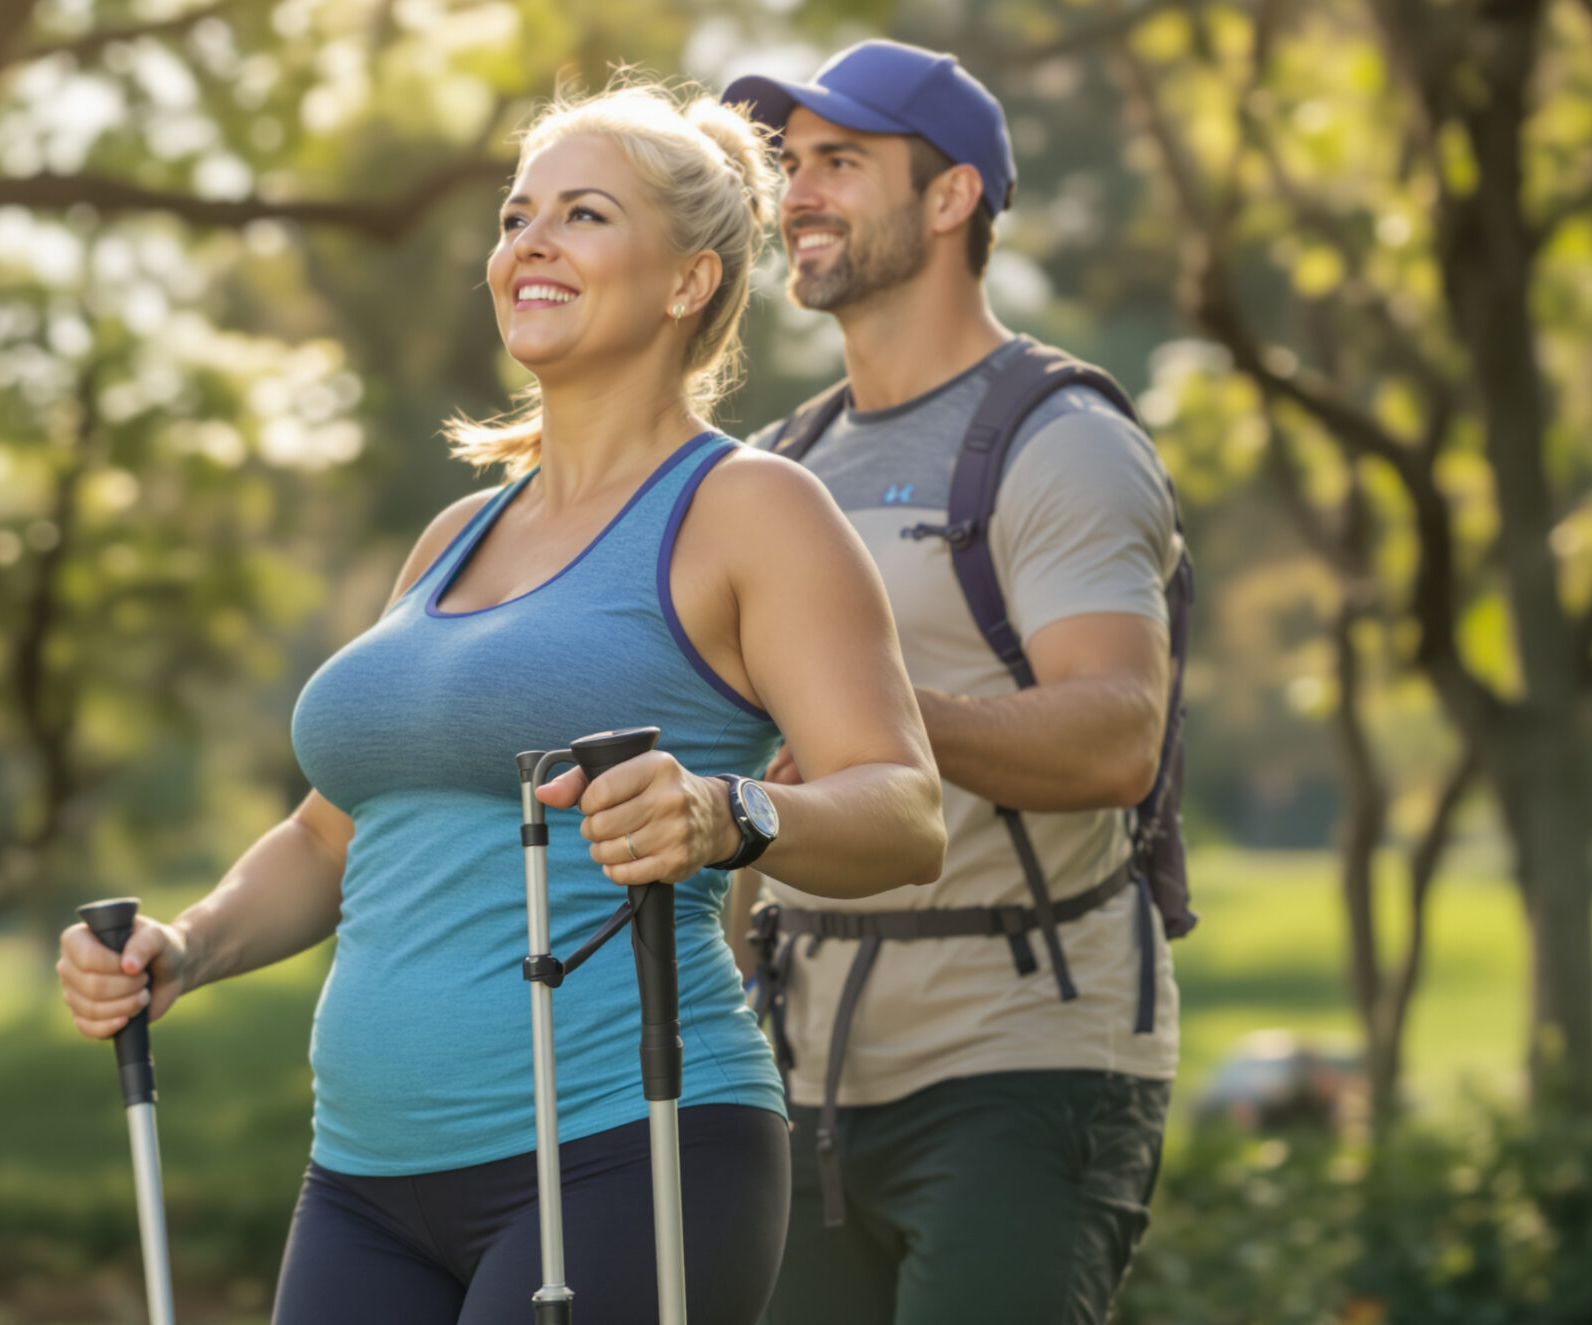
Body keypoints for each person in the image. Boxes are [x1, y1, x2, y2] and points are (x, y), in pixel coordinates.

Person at [54, 81, 947, 1325]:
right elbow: (334, 831)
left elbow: (904, 810)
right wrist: (184, 950)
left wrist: (724, 813)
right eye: (516, 214)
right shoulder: (453, 539)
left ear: (690, 281)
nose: (527, 243)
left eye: (581, 215)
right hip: (363, 1180)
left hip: (622, 1146)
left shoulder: (751, 511)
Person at [719, 40, 1190, 1325]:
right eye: (791, 164)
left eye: (842, 163)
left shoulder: (1061, 441)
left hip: (1022, 1056)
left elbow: (1116, 738)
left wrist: (873, 718)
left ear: (950, 198)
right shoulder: (779, 461)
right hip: (799, 1066)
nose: (798, 193)